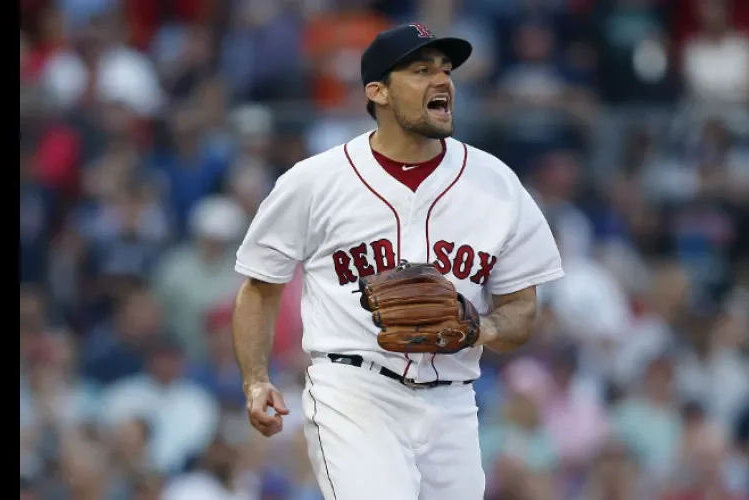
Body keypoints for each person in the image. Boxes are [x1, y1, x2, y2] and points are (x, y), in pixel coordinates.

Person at [231, 23, 564, 500]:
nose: (442, 81)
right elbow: (260, 287)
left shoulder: (497, 184)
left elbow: (522, 310)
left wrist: (479, 329)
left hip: (452, 401)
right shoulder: (316, 180)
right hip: (354, 391)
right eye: (420, 70)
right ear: (378, 91)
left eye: (446, 70)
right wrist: (256, 380)